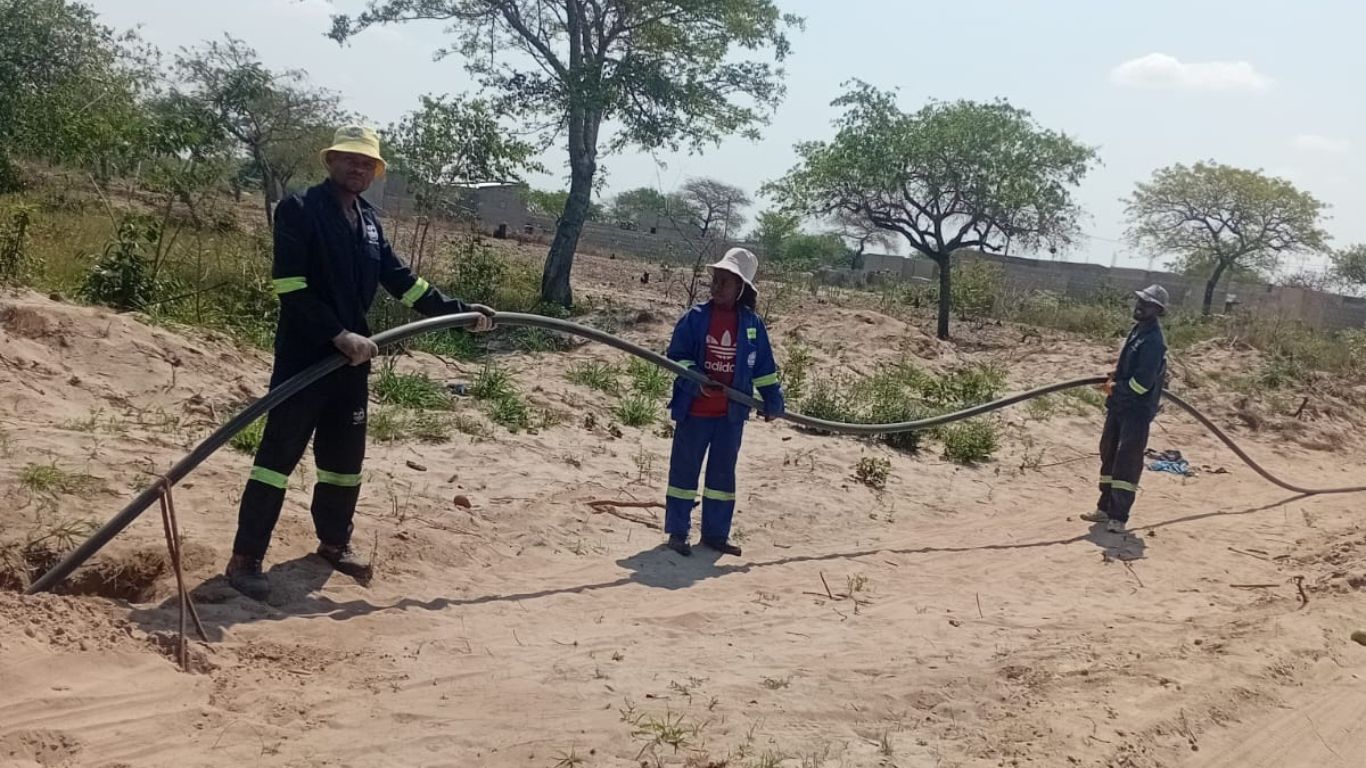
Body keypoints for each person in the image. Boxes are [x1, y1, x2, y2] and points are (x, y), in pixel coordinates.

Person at [225, 125, 495, 600]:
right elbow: (289, 287)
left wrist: (460, 313)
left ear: (375, 171)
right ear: (330, 161)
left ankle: (333, 543)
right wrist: (337, 334)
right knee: (276, 461)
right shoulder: (299, 210)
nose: (358, 168)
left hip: (352, 365)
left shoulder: (370, 222)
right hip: (306, 359)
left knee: (343, 463)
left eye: (367, 163)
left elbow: (404, 283)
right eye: (350, 159)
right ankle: (246, 559)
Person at [662, 248, 785, 557]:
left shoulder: (753, 326)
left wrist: (772, 399)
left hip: (730, 417)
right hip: (695, 413)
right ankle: (678, 532)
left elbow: (764, 369)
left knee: (721, 476)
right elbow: (677, 357)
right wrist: (698, 382)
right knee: (684, 474)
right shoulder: (695, 319)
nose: (717, 287)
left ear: (741, 288)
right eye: (715, 280)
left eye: (725, 282)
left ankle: (715, 535)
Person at [1082, 284, 1169, 535]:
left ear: (1157, 310)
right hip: (1120, 407)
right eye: (1140, 301)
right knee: (1108, 453)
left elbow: (1142, 384)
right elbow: (1131, 368)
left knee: (1126, 462)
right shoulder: (1138, 331)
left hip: (1136, 412)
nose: (1140, 306)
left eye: (1147, 304)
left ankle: (1118, 517)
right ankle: (1104, 508)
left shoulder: (1154, 340)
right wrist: (1116, 375)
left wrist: (1115, 388)